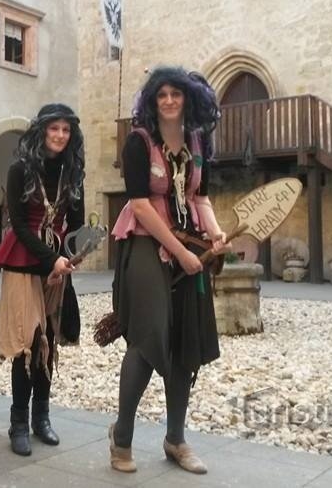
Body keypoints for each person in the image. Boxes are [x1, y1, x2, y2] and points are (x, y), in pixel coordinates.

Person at [109, 66, 225, 474]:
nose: (170, 100)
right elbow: (140, 205)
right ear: (153, 100)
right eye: (163, 95)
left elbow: (202, 197)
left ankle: (176, 439)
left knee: (185, 342)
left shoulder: (197, 141)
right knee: (148, 337)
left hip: (191, 245)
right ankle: (121, 437)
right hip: (145, 245)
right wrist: (180, 252)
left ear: (188, 99)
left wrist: (215, 233)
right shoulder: (139, 142)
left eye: (177, 94)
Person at [0, 103, 86, 456]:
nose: (60, 135)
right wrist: (52, 258)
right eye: (54, 129)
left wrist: (79, 250)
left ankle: (41, 417)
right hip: (24, 261)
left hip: (58, 265)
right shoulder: (20, 169)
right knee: (28, 344)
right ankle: (18, 422)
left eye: (66, 130)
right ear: (42, 131)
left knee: (48, 341)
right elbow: (17, 223)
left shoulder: (73, 172)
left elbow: (74, 224)